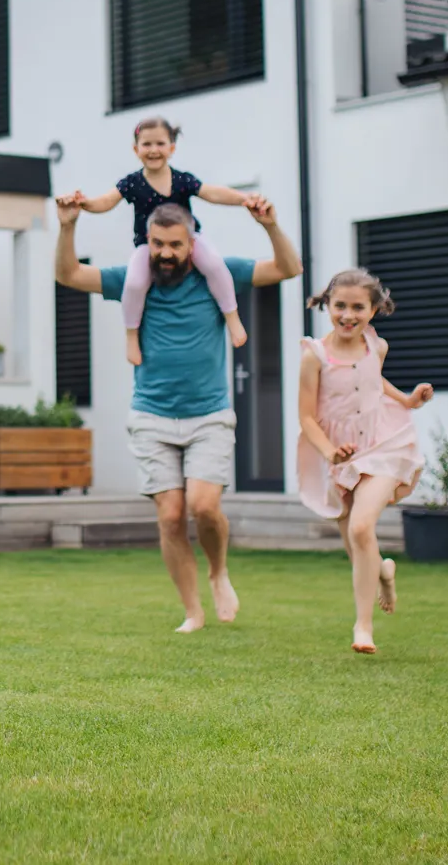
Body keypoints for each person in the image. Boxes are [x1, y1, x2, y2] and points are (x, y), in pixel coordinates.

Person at [55, 192, 302, 633]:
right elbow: (69, 275)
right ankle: (192, 610)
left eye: (175, 245)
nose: (165, 254)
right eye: (157, 244)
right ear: (147, 241)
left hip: (209, 414)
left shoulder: (219, 275)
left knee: (204, 507)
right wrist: (69, 225)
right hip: (151, 414)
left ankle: (218, 571)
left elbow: (288, 269)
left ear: (192, 244)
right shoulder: (134, 279)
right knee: (170, 515)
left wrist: (270, 226)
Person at [297, 269, 433, 654]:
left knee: (361, 528)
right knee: (356, 545)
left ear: (373, 310)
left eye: (358, 307)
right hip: (340, 453)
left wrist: (406, 400)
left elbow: (376, 382)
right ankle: (383, 572)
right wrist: (329, 453)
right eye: (340, 306)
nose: (348, 315)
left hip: (386, 444)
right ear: (328, 306)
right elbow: (306, 416)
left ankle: (363, 628)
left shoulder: (378, 346)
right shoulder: (314, 356)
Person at [71, 116, 255, 366]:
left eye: (160, 143)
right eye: (146, 145)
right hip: (149, 246)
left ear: (171, 148)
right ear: (136, 150)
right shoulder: (132, 183)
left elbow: (212, 193)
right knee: (134, 283)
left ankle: (232, 318)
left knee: (215, 265)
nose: (154, 150)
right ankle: (131, 335)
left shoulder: (182, 180)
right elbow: (105, 202)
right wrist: (85, 203)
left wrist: (245, 199)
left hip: (188, 241)